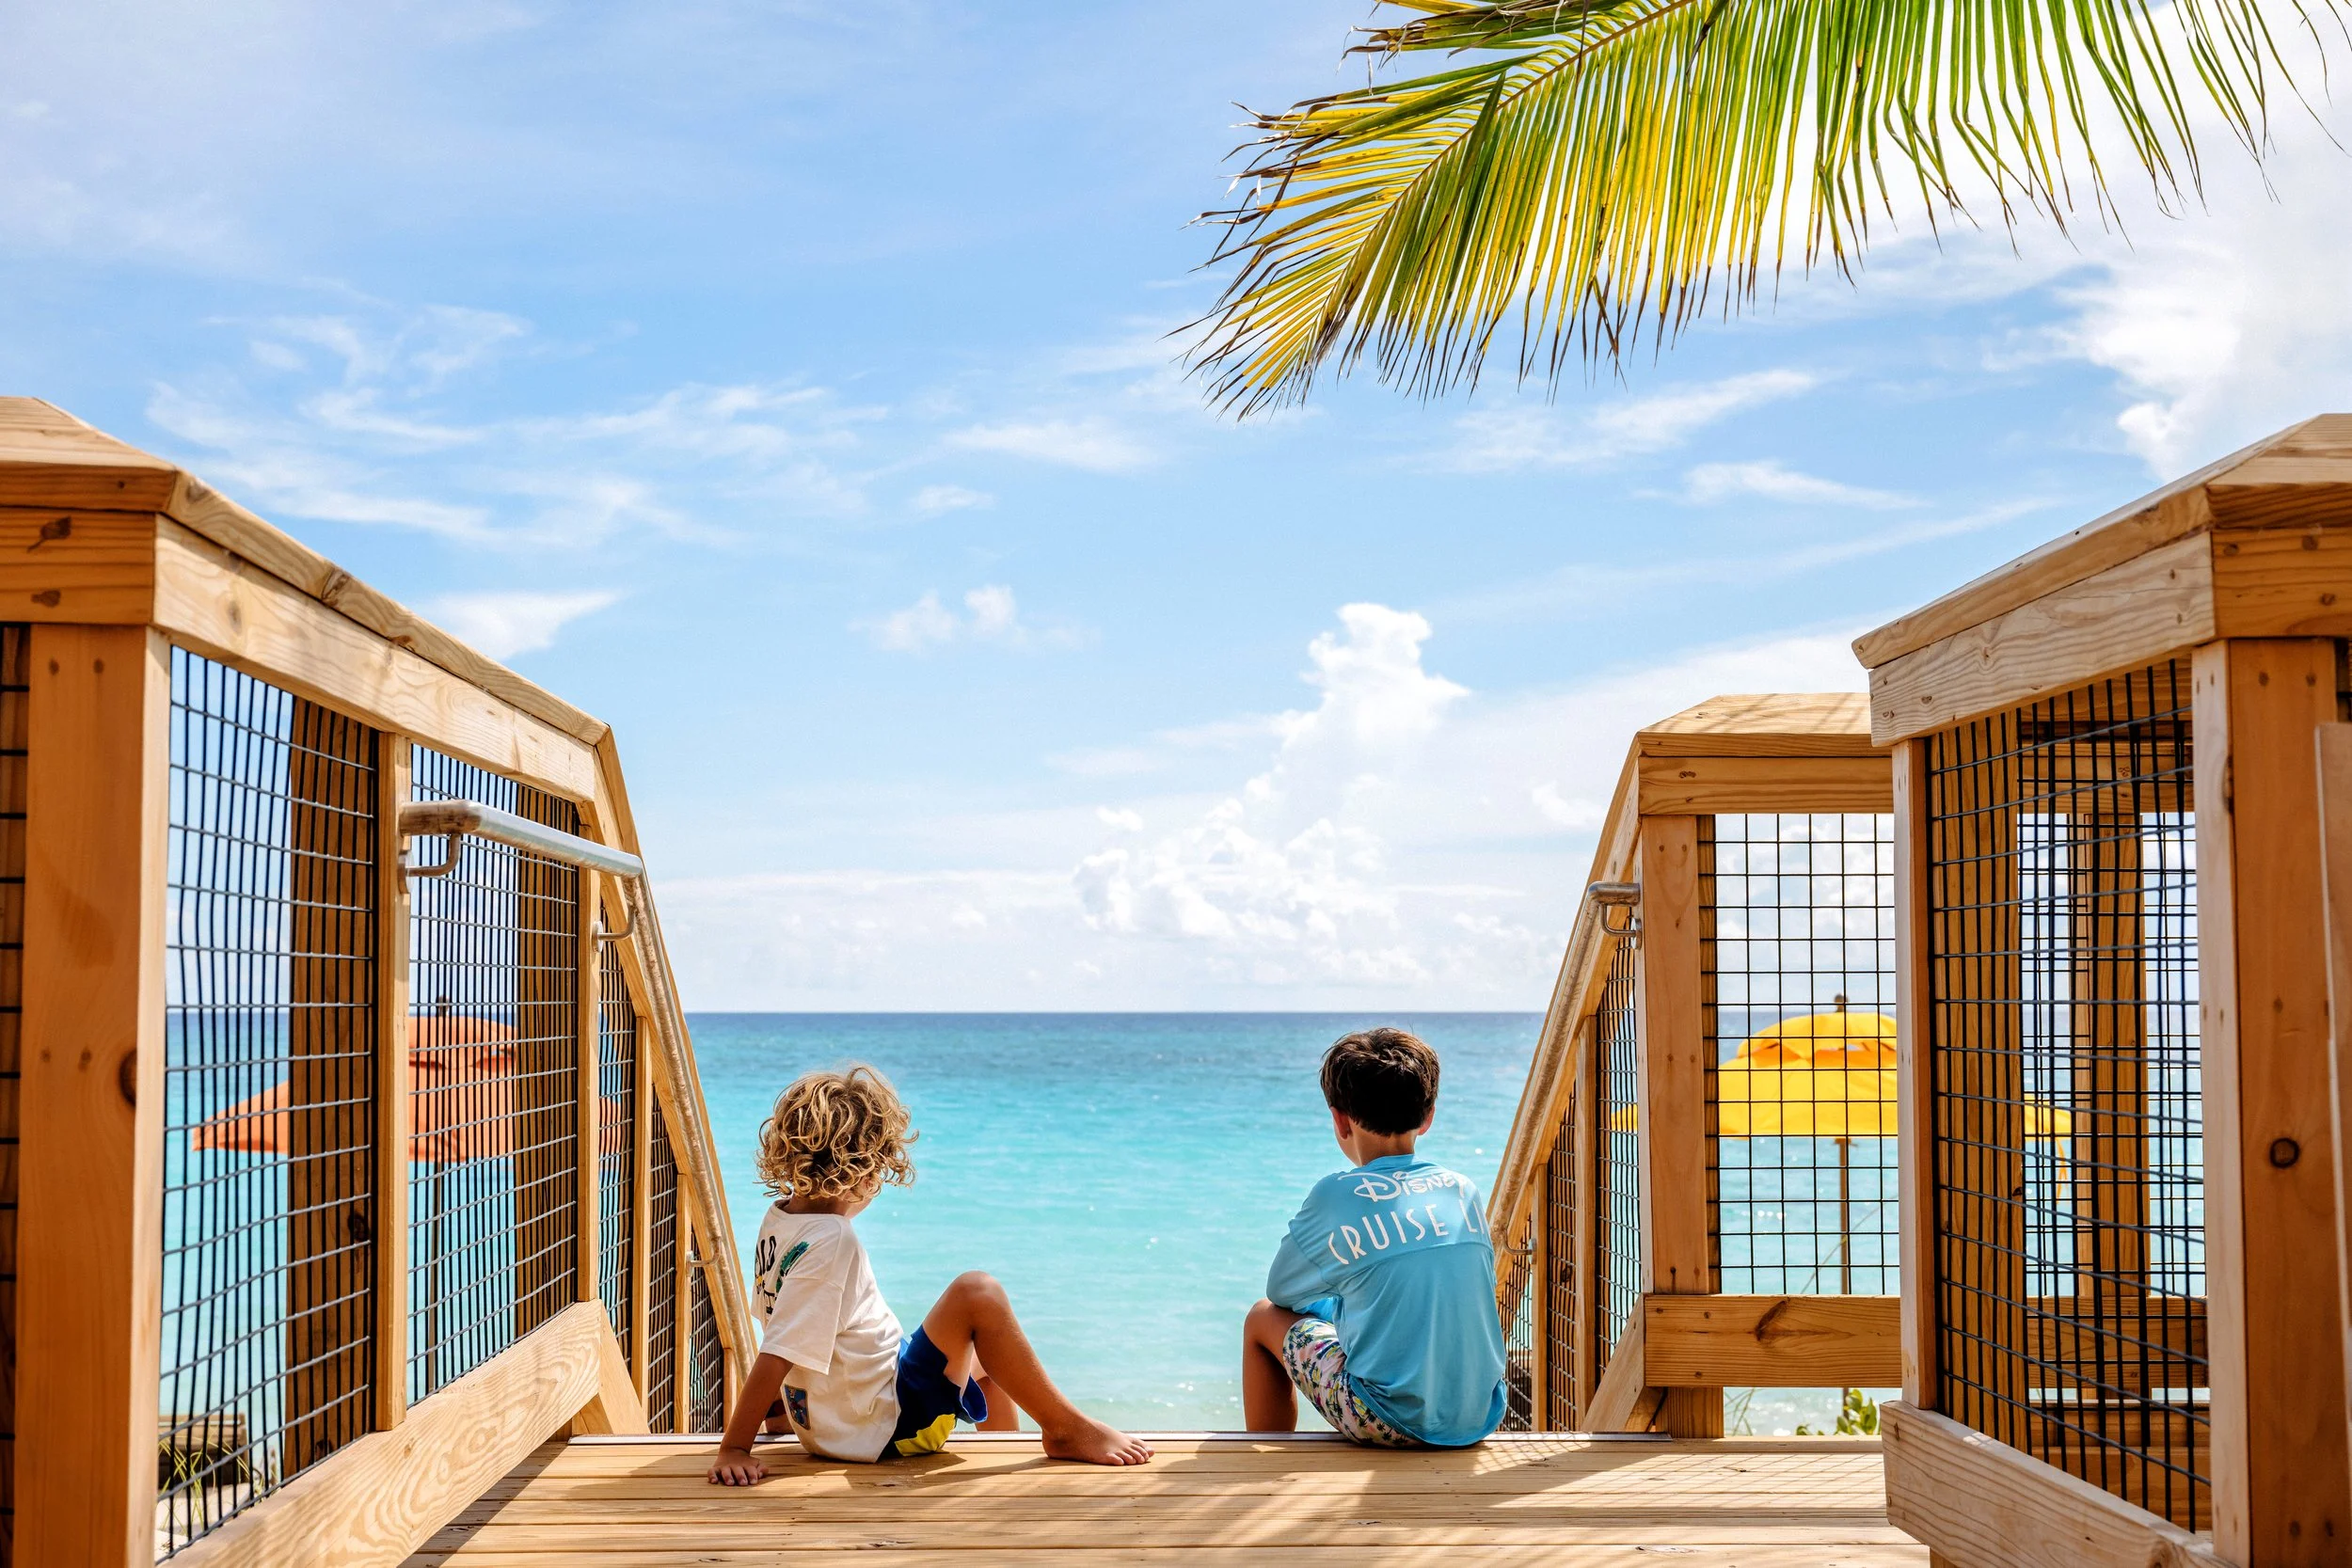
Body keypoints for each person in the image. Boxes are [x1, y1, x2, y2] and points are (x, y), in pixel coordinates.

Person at [708, 1065, 1152, 1482]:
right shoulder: (832, 1238)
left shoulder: (781, 1220)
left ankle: (1006, 1449)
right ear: (865, 1173)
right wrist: (734, 1448)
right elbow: (779, 1350)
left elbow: (778, 1318)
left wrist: (784, 1413)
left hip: (840, 1415)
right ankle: (1067, 1429)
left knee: (996, 1359)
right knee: (978, 1293)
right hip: (885, 1426)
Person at [1242, 1027, 1507, 1447]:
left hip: (1386, 1419)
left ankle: (1267, 1454)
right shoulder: (1462, 1189)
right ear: (1428, 1116)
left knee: (1261, 1318)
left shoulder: (1335, 1195)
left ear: (1340, 1120)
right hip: (1479, 1412)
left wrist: (1343, 1298)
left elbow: (1281, 1293)